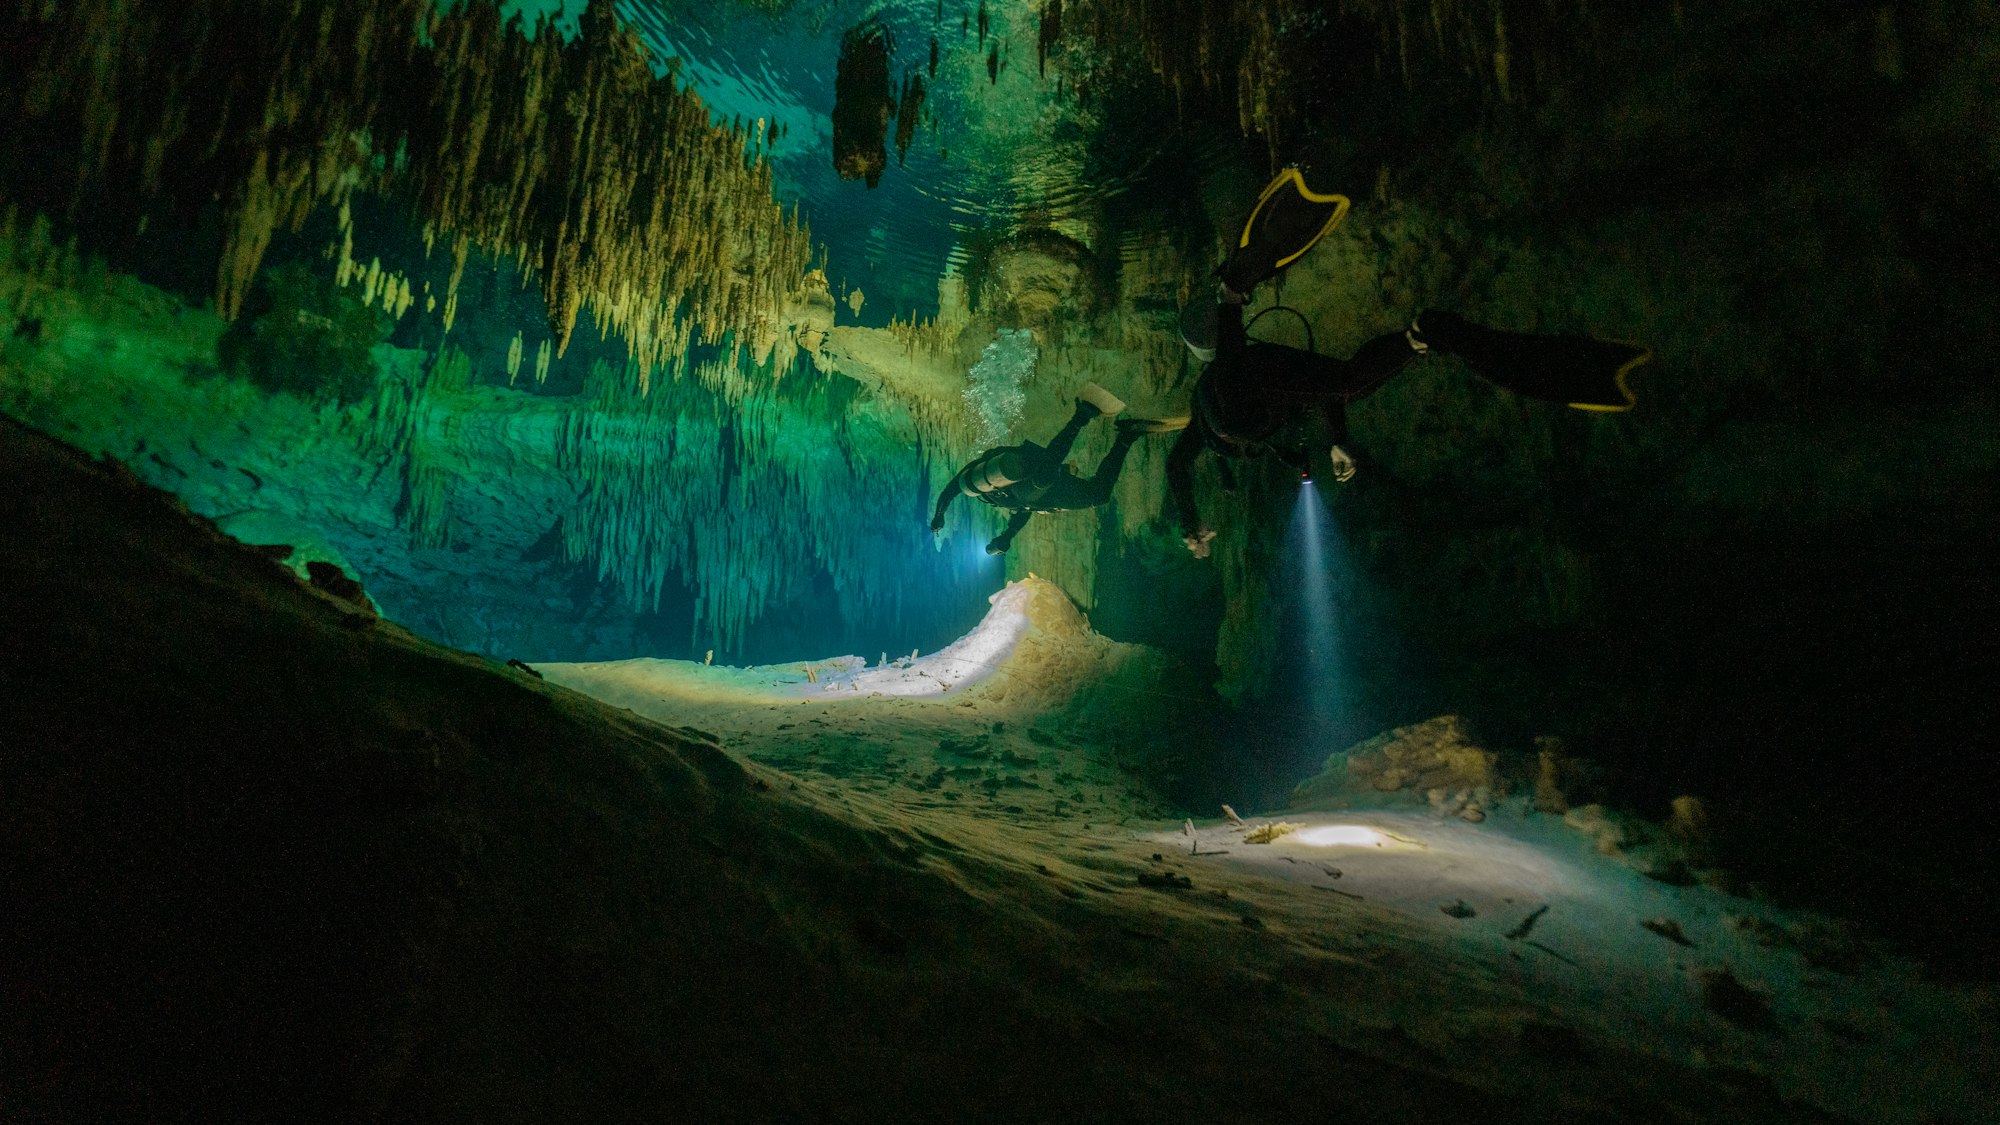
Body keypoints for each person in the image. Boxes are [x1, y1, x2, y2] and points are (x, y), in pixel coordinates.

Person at [1170, 169, 1652, 558]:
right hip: (1255, 383)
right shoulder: (1232, 413)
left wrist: (1191, 524)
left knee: (1272, 387)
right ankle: (1419, 338)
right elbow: (1323, 389)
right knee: (1344, 383)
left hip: (1238, 389)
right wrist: (1337, 440)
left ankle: (1233, 290)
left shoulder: (1216, 404)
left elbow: (1183, 457)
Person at [932, 382, 1181, 555]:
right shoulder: (1000, 498)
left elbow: (951, 489)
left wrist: (939, 514)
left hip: (1038, 481)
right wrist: (1007, 537)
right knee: (1098, 495)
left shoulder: (981, 481)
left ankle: (1081, 416)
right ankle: (1127, 436)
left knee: (1042, 478)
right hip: (1043, 496)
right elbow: (1023, 511)